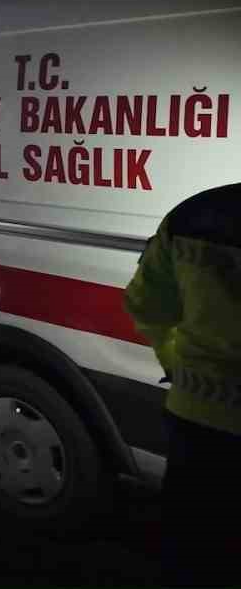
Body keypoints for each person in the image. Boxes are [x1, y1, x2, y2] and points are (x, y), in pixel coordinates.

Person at [124, 183, 241, 587]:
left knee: (196, 547)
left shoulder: (192, 214)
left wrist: (175, 362)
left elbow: (146, 304)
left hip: (197, 416)